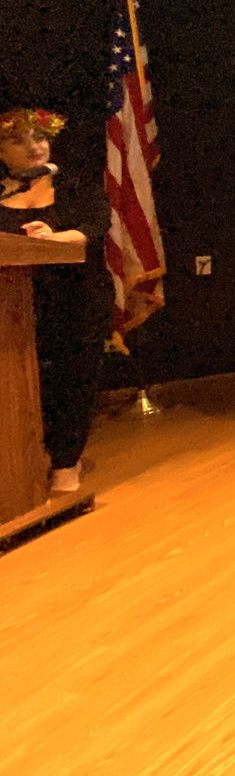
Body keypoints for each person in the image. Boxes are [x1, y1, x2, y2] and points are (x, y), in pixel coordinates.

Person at [0, 108, 107, 493]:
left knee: (71, 380)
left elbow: (93, 229)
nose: (34, 147)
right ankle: (21, 460)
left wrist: (50, 238)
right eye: (19, 141)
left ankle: (65, 460)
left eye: (40, 138)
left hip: (74, 302)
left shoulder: (76, 186)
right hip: (13, 310)